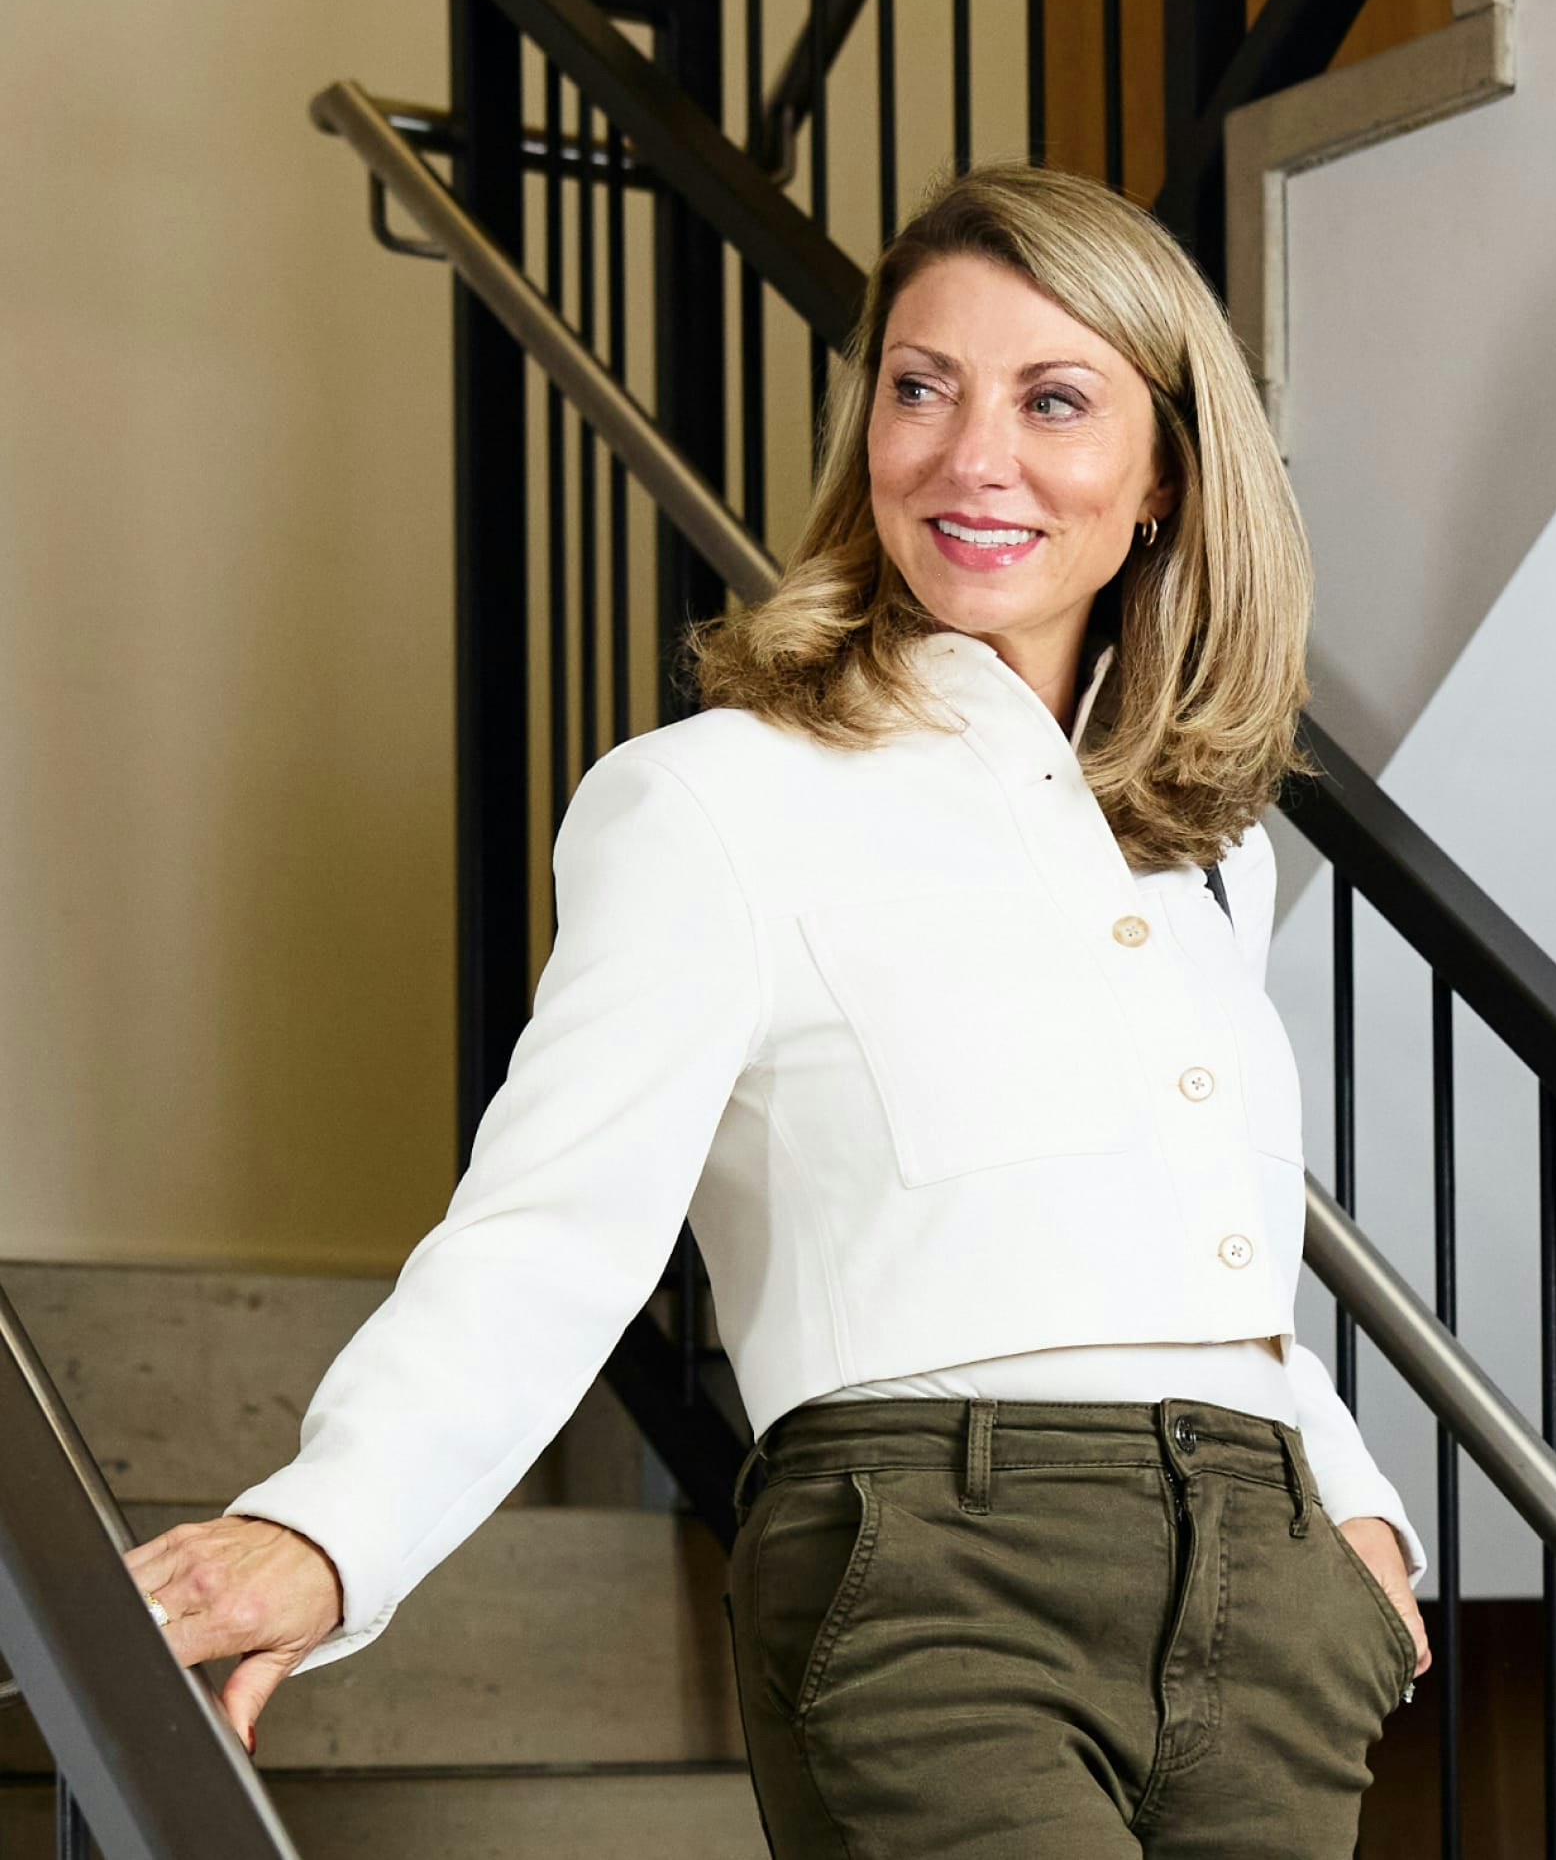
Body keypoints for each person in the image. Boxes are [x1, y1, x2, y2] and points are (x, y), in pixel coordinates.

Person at [124, 160, 1431, 1853]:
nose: (972, 456)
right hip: (940, 1569)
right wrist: (331, 1526)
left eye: (1052, 400)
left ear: (1166, 473)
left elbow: (1212, 1252)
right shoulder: (718, 799)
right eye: (922, 388)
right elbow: (552, 1228)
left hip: (1272, 1599)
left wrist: (1350, 1507)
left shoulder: (1204, 855)